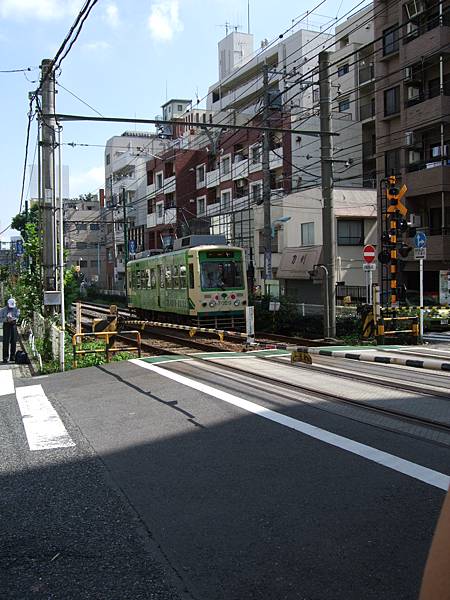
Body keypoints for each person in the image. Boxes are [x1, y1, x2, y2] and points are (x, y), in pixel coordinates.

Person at [0, 298, 20, 363]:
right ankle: (5, 358)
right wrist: (6, 319)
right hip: (6, 325)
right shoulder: (3, 310)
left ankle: (12, 357)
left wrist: (13, 319)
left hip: (13, 325)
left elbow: (17, 317)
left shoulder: (16, 309)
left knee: (13, 341)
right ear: (7, 304)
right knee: (6, 341)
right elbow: (0, 318)